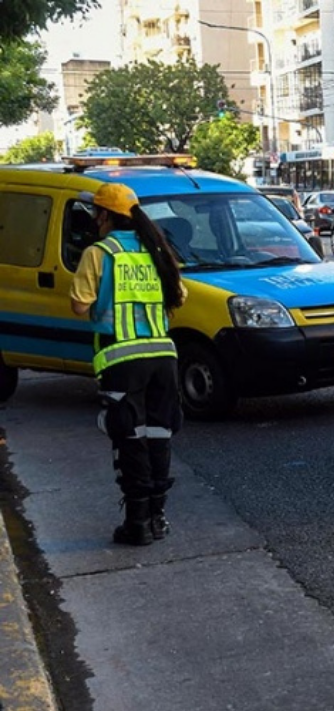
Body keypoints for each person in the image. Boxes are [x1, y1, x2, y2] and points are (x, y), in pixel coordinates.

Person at [70, 183, 186, 547]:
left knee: (129, 437)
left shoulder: (99, 252)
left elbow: (79, 305)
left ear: (104, 216)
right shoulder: (157, 250)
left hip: (122, 359)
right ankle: (157, 518)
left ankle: (136, 523)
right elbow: (179, 297)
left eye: (96, 214)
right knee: (159, 434)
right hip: (164, 357)